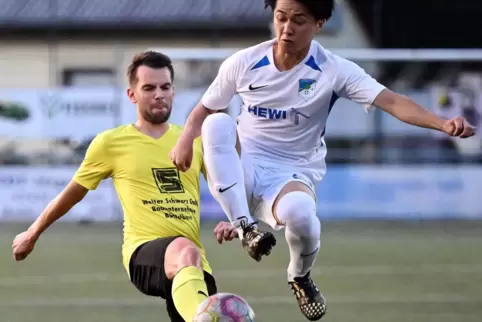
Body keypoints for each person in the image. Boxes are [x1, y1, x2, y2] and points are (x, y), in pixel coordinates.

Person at [169, 0, 477, 320]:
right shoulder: (245, 61)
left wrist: (441, 123)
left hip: (291, 172)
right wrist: (183, 141)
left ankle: (300, 277)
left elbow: (392, 101)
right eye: (281, 17)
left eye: (299, 20)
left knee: (302, 216)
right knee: (216, 123)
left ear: (319, 24)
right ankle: (244, 226)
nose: (287, 28)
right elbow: (204, 108)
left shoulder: (332, 70)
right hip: (242, 163)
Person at [11, 51, 226, 322]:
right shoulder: (110, 143)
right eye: (149, 88)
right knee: (187, 254)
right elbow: (74, 192)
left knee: (196, 285)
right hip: (143, 252)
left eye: (165, 87)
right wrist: (32, 232)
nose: (159, 94)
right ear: (132, 95)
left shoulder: (193, 140)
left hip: (192, 265)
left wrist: (237, 221)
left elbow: (227, 188)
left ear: (173, 91)